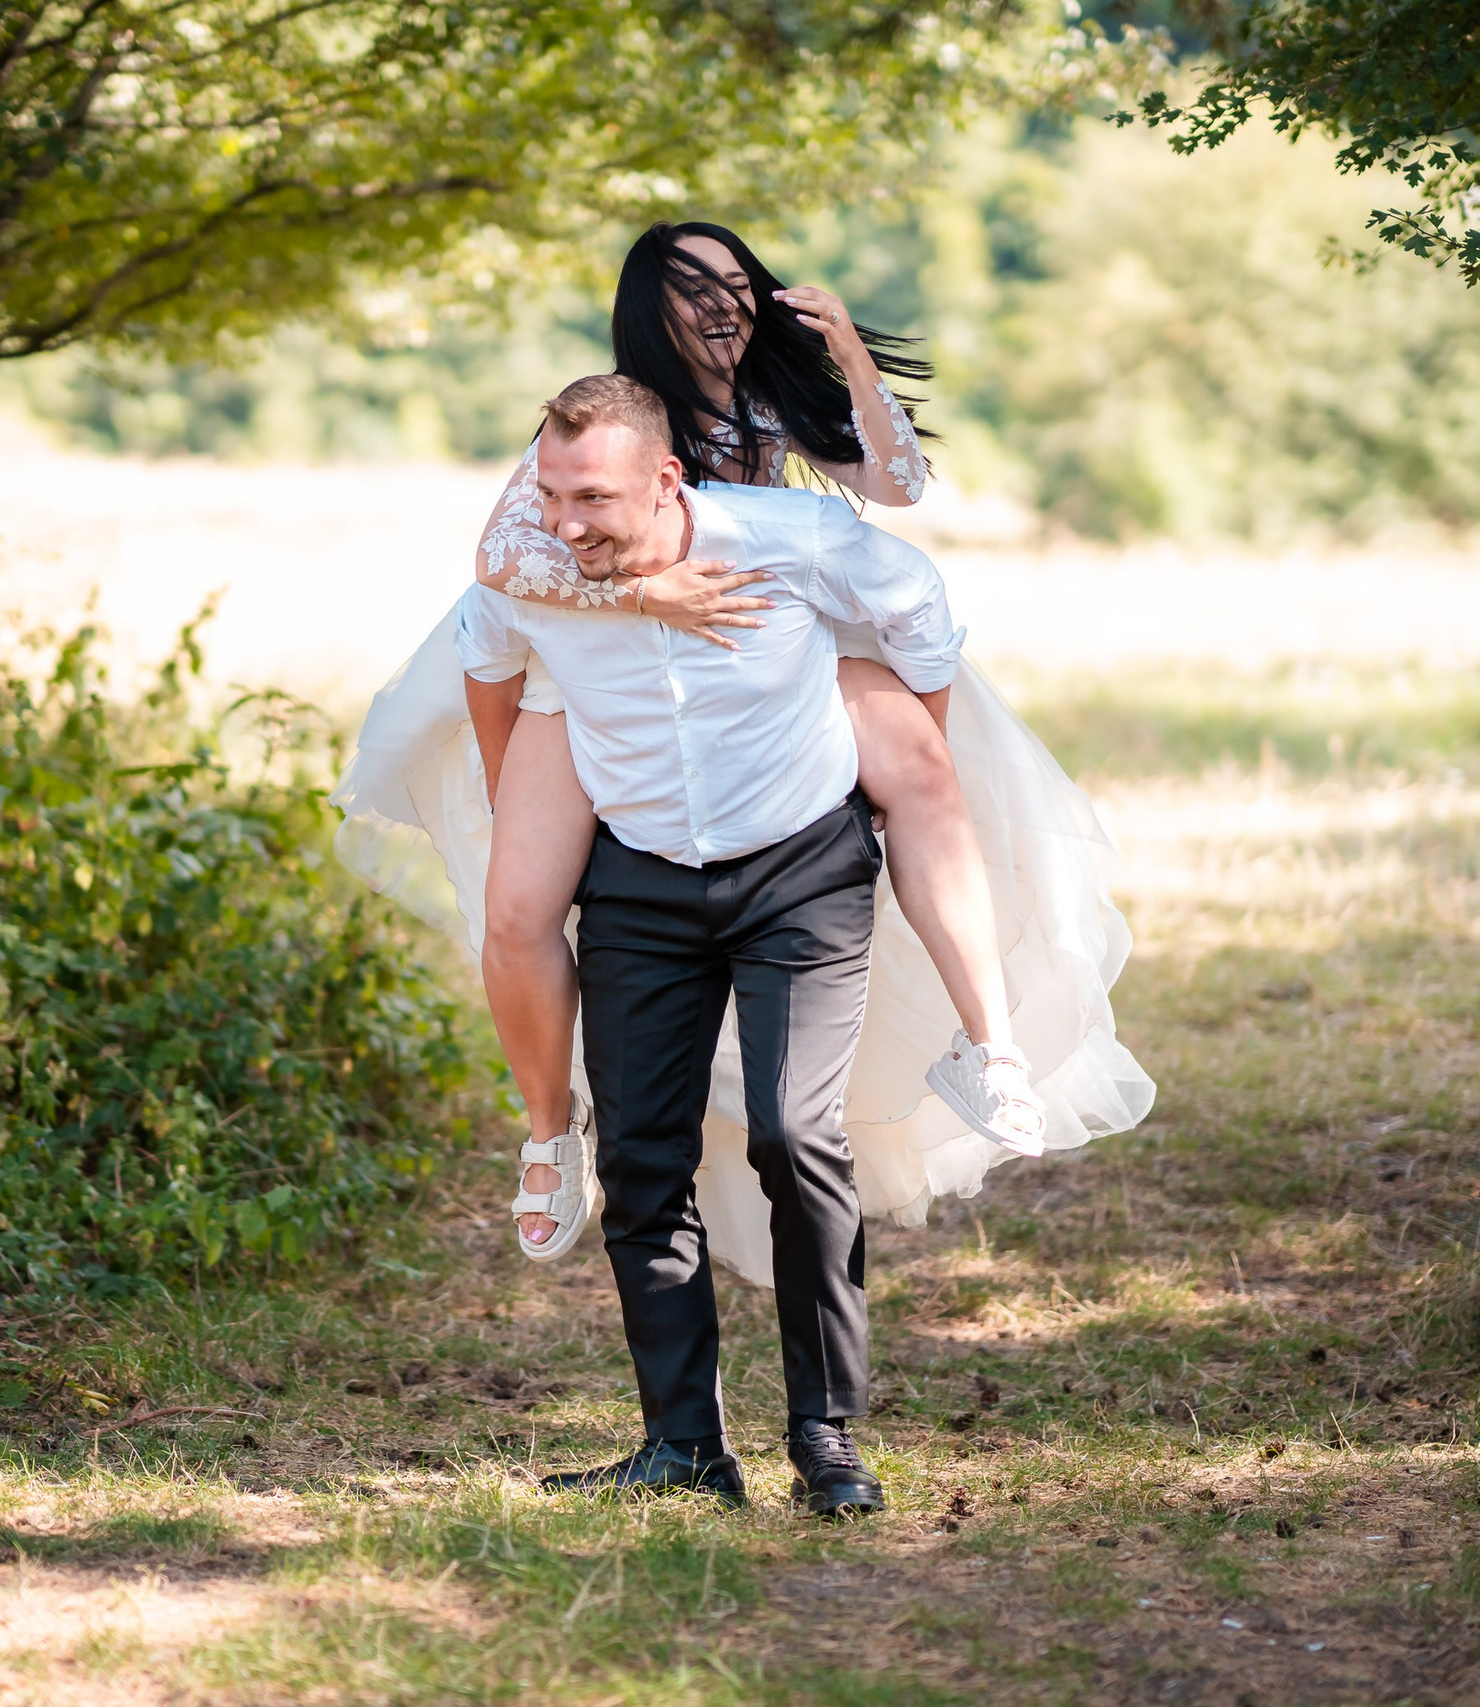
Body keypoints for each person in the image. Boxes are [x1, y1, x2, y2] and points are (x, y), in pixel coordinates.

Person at [331, 231, 1154, 1291]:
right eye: (692, 291)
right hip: (600, 659)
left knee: (924, 771)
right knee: (516, 905)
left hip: (759, 646)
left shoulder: (768, 400)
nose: (722, 305)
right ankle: (550, 1131)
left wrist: (851, 356)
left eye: (735, 283)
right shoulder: (617, 415)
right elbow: (503, 557)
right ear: (648, 310)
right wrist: (638, 593)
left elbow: (897, 486)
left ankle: (985, 1045)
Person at [460, 375, 948, 1512]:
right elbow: (484, 659)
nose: (564, 522)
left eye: (591, 497)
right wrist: (510, 796)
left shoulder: (790, 539)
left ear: (665, 479)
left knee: (792, 1135)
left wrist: (915, 756)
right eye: (549, 494)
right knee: (640, 1165)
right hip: (638, 884)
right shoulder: (534, 573)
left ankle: (824, 1437)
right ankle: (684, 1448)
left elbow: (920, 604)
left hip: (800, 874)